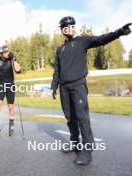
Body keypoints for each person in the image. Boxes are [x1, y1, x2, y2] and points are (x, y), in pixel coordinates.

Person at [51, 16, 131, 165]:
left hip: (78, 85)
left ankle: (87, 150)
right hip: (64, 88)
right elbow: (57, 69)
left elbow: (102, 39)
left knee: (82, 117)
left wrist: (119, 32)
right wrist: (54, 86)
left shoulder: (82, 41)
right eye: (64, 27)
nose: (67, 29)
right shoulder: (60, 49)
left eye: (70, 26)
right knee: (69, 117)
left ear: (74, 27)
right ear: (62, 30)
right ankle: (74, 142)